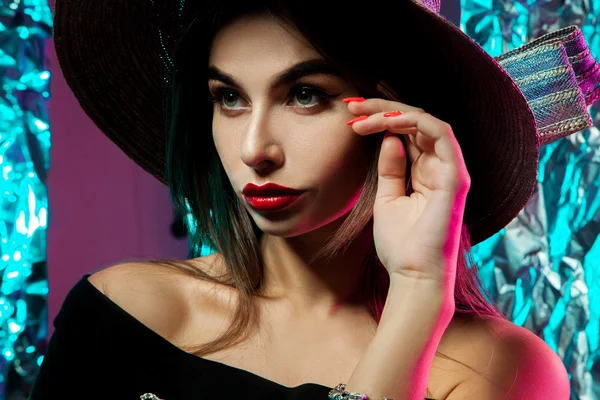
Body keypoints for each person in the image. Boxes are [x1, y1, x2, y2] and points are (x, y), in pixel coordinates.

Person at [31, 0, 598, 398]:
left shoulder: (504, 370)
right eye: (228, 97)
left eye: (305, 95)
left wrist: (419, 297)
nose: (255, 149)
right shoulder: (123, 311)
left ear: (398, 117)